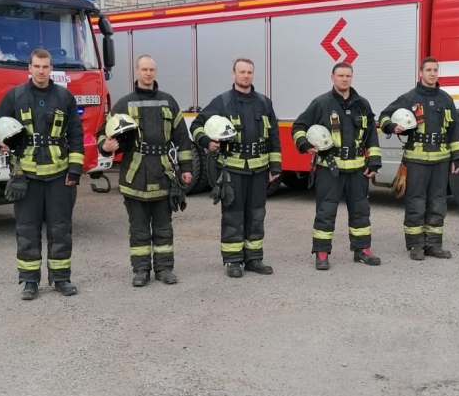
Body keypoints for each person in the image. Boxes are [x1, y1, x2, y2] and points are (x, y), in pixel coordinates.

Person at [0, 48, 85, 300]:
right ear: (29, 68)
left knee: (61, 229)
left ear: (51, 69)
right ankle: (30, 281)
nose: (41, 71)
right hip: (26, 177)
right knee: (27, 229)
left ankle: (61, 279)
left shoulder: (64, 97)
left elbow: (75, 135)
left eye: (46, 67)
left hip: (59, 177)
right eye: (37, 67)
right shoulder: (15, 96)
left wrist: (74, 170)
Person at [99, 55, 193, 286]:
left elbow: (182, 138)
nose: (148, 73)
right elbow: (103, 133)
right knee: (139, 229)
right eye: (144, 69)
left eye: (152, 69)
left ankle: (164, 269)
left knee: (163, 227)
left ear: (156, 71)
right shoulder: (124, 104)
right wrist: (105, 145)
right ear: (136, 71)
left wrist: (186, 167)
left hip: (163, 174)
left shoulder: (169, 102)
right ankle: (141, 270)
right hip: (135, 175)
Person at [190, 58, 281, 277]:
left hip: (259, 171)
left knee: (256, 215)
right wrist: (206, 141)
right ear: (233, 74)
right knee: (233, 215)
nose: (246, 76)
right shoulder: (222, 102)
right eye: (242, 72)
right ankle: (232, 261)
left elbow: (274, 137)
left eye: (249, 72)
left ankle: (254, 259)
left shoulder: (264, 103)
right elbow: (196, 125)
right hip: (231, 171)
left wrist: (275, 166)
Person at [292, 61, 382, 268]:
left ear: (352, 77)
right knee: (326, 211)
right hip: (329, 169)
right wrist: (304, 144)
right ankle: (322, 253)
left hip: (357, 169)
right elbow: (298, 126)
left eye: (347, 76)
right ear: (332, 78)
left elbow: (371, 137)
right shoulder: (321, 103)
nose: (344, 79)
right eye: (340, 76)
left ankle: (362, 250)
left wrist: (375, 161)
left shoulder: (363, 104)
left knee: (361, 211)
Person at [379, 56, 459, 260]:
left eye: (435, 70)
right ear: (421, 73)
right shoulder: (409, 98)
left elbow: (454, 130)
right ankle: (415, 246)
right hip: (416, 160)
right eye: (429, 70)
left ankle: (434, 245)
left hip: (441, 160)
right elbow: (384, 116)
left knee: (438, 203)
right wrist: (392, 127)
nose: (433, 73)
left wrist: (458, 158)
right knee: (416, 203)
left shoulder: (446, 99)